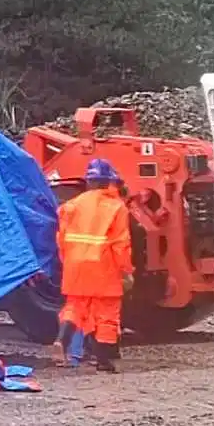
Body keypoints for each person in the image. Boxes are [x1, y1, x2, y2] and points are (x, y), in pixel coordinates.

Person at [55, 158, 134, 372]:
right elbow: (121, 245)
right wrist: (126, 271)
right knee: (106, 314)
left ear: (89, 182)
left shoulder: (70, 206)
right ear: (110, 182)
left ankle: (62, 339)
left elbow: (61, 240)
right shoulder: (116, 208)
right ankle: (104, 362)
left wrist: (68, 263)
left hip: (74, 265)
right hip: (104, 266)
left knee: (75, 307)